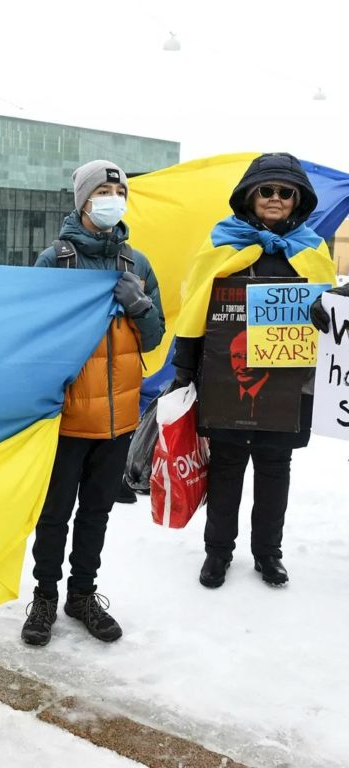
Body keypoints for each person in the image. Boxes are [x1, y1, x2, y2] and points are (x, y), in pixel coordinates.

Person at [172, 153, 337, 589]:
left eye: (286, 192)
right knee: (226, 469)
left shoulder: (313, 250)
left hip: (286, 389)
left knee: (274, 470)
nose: (276, 198)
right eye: (267, 190)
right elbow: (194, 311)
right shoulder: (222, 244)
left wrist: (326, 307)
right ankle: (217, 554)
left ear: (298, 200)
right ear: (249, 195)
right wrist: (183, 370)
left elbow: (333, 324)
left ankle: (268, 553)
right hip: (228, 382)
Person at [21, 160, 165, 647]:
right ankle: (44, 596)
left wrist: (140, 306)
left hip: (118, 419)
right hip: (65, 418)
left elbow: (154, 338)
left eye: (118, 190)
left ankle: (82, 595)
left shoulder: (136, 265)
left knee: (96, 513)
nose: (113, 198)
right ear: (82, 198)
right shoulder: (55, 261)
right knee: (54, 514)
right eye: (103, 190)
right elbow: (32, 336)